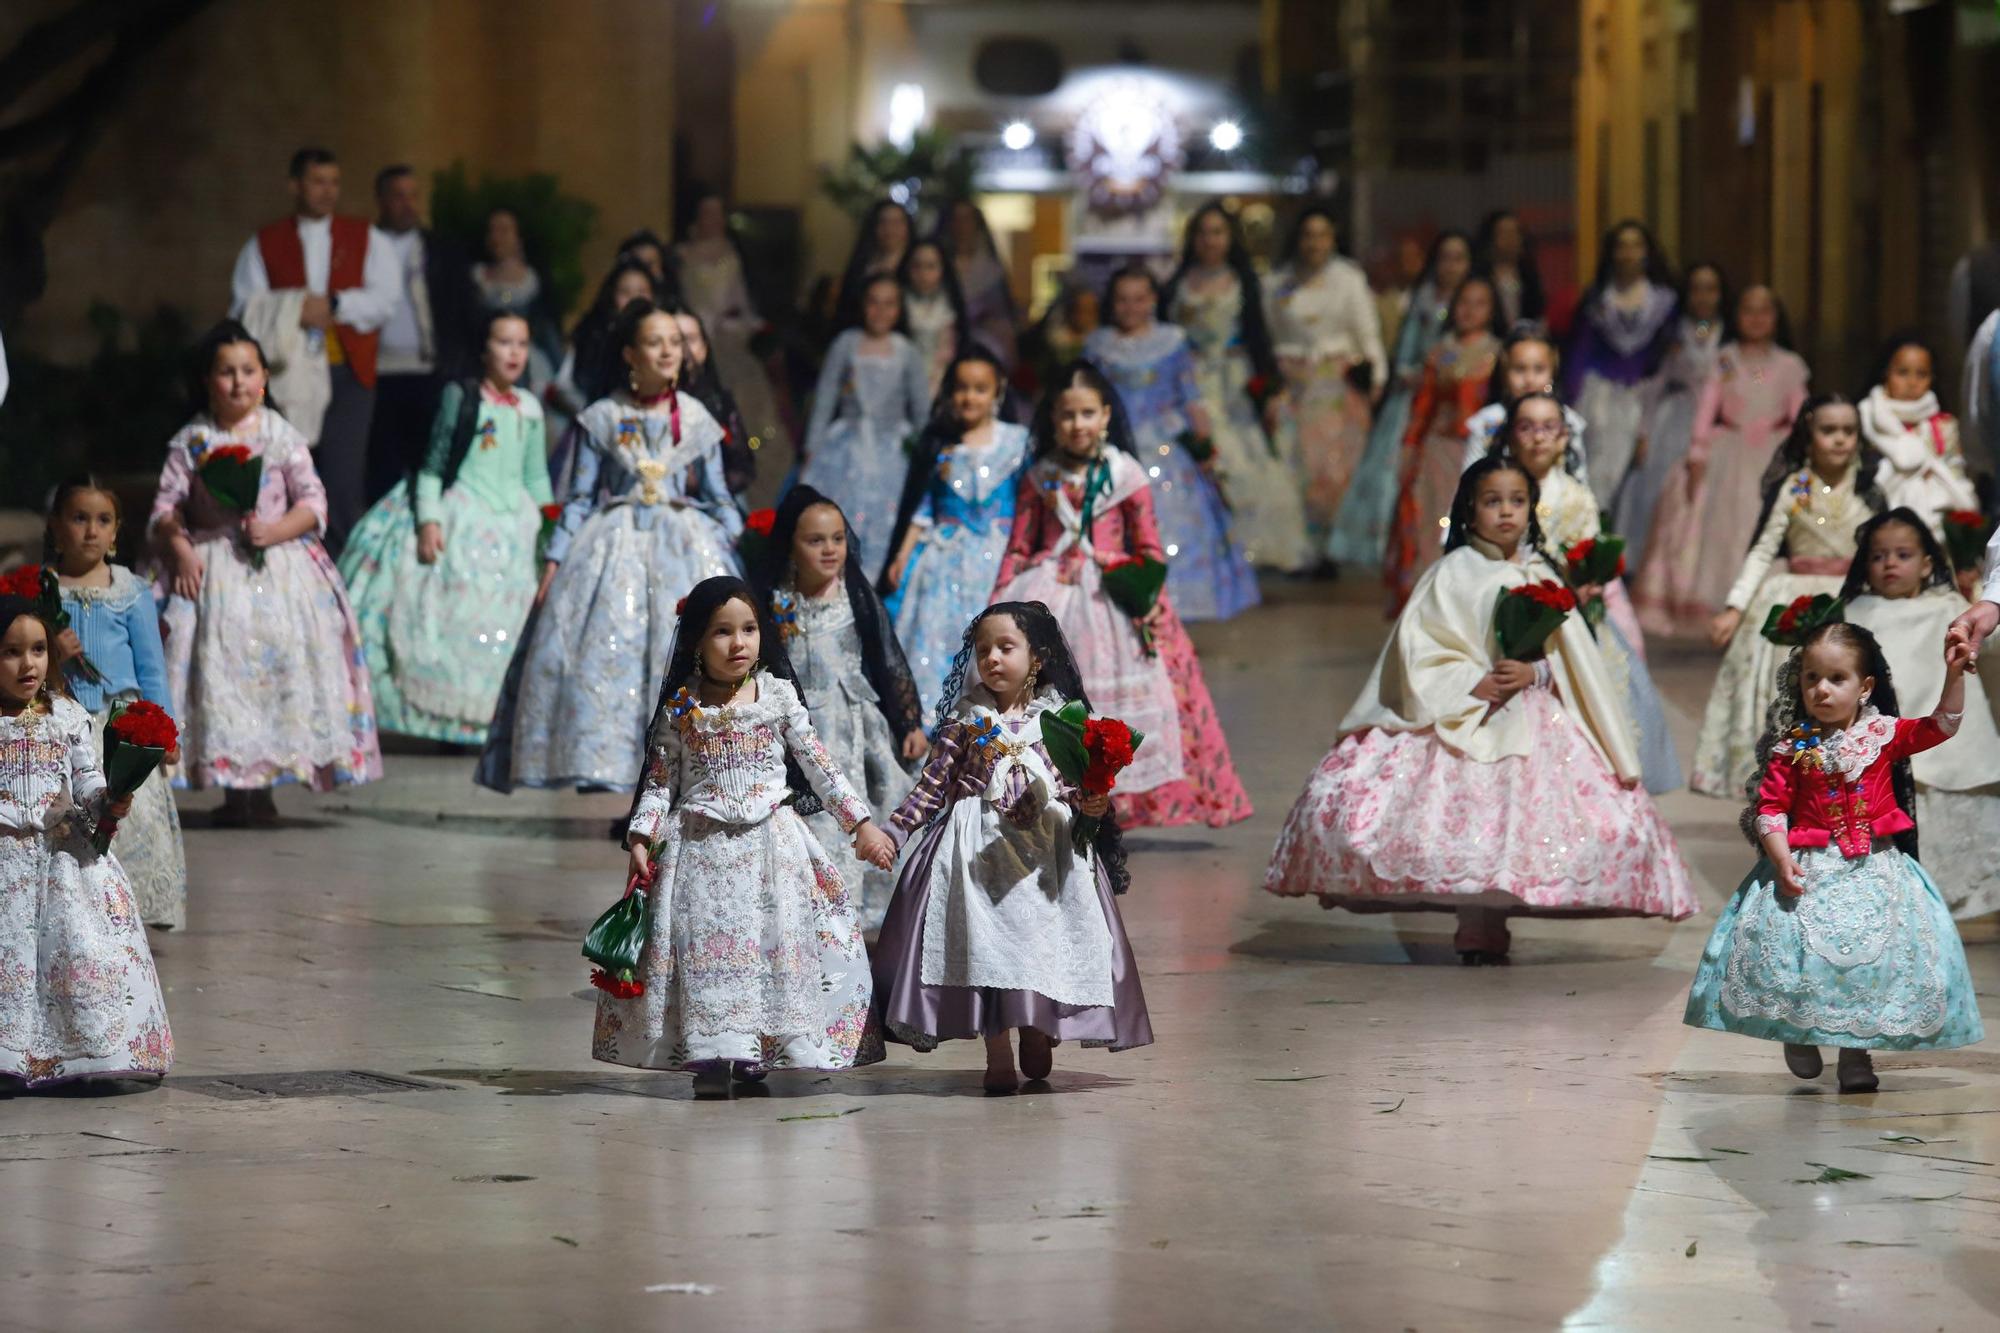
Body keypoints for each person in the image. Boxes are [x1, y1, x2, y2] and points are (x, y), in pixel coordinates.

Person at [1264, 456, 1698, 964]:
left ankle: (1491, 920)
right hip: (1463, 708)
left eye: (1517, 502)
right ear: (1470, 511)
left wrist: (1535, 673)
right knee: (1469, 817)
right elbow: (1419, 649)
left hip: (1533, 716)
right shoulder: (1450, 574)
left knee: (1526, 821)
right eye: (1493, 502)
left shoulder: (1541, 575)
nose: (1507, 513)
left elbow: (1576, 661)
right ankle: (1475, 924)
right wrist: (1473, 680)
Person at [595, 577, 894, 1098]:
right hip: (700, 852)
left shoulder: (776, 697)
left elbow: (821, 769)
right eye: (722, 632)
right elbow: (660, 782)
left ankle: (759, 1046)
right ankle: (711, 1054)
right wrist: (641, 837)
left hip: (771, 851)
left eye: (749, 629)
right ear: (695, 642)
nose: (739, 643)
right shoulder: (683, 709)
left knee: (769, 951)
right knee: (709, 953)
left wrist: (860, 824)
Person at [1683, 620, 1983, 1092]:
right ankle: (1798, 1030)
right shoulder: (1792, 749)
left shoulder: (1883, 736)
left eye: (1836, 679)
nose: (1821, 689)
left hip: (1874, 869)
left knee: (1869, 963)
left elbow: (1941, 725)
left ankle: (1855, 1053)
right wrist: (1781, 859)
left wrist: (1955, 676)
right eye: (1810, 678)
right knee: (1799, 956)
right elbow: (1771, 809)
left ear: (1865, 687)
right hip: (1809, 866)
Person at [871, 601, 1154, 1095]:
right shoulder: (966, 721)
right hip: (976, 852)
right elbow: (932, 786)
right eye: (984, 651)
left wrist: (1091, 803)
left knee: (1038, 943)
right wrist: (895, 832)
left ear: (1037, 658)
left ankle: (1038, 1026)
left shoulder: (1059, 721)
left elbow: (1072, 785)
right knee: (984, 948)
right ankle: (996, 1048)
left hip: (1047, 854)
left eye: (1006, 647)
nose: (993, 659)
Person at [479, 300, 739, 793]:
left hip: (683, 546)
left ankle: (682, 776)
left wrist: (731, 547)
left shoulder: (698, 419)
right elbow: (579, 496)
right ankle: (623, 778)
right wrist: (554, 561)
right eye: (654, 342)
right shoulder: (603, 418)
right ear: (630, 353)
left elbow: (719, 496)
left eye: (675, 343)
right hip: (611, 549)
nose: (668, 352)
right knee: (608, 654)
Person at [994, 361, 1253, 830]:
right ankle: (1049, 792)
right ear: (1053, 419)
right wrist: (998, 604)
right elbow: (1019, 545)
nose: (1078, 425)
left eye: (1087, 413)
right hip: (1048, 596)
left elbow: (1149, 547)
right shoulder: (1040, 478)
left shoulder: (1125, 473)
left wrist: (1142, 593)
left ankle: (1113, 803)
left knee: (1127, 699)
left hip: (1109, 602)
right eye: (1067, 415)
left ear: (1107, 415)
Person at [151, 321, 382, 824]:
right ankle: (233, 784)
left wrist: (275, 531)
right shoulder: (193, 440)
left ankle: (269, 783)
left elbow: (314, 502)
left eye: (248, 371)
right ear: (208, 380)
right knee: (220, 665)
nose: (238, 382)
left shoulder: (280, 435)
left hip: (278, 568)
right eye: (226, 372)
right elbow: (166, 506)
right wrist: (180, 547)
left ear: (265, 379)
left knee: (282, 667)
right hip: (211, 566)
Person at [338, 311, 552, 745]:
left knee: (507, 621)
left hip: (515, 523)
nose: (514, 353)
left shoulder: (530, 408)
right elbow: (433, 464)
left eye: (522, 344)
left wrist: (551, 531)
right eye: (504, 342)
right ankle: (442, 720)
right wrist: (429, 520)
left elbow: (535, 475)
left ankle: (490, 721)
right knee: (443, 613)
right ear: (483, 348)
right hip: (462, 515)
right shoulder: (462, 396)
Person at [0, 597, 174, 1088]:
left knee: (79, 950)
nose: (27, 663)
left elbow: (87, 781)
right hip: (5, 863)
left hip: (63, 860)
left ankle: (87, 1052)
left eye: (37, 650)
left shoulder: (67, 715)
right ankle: (10, 1055)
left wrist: (112, 797)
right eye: (10, 652)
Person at [1487, 392, 1680, 793]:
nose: (1538, 438)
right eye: (1527, 427)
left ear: (1562, 438)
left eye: (1548, 428)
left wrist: (1588, 579)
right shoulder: (1501, 488)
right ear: (1511, 436)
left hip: (1565, 612)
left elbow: (1589, 548)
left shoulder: (1574, 496)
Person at [751, 488, 927, 928]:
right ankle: (815, 913)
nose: (830, 550)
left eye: (837, 538)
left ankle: (861, 910)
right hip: (796, 729)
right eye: (815, 541)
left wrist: (909, 720)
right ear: (791, 543)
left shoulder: (856, 596)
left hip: (853, 725)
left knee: (862, 805)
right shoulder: (774, 600)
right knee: (810, 819)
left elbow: (888, 658)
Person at [1691, 394, 1880, 798]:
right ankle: (1787, 772)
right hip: (1796, 600)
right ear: (1808, 434)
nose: (1840, 440)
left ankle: (1849, 766)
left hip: (1850, 599)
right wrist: (1735, 607)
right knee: (1794, 686)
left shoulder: (1869, 491)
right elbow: (1763, 550)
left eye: (1849, 431)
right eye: (1829, 430)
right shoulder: (1795, 487)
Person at [230, 147, 402, 553]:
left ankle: (342, 572)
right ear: (295, 185)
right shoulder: (266, 243)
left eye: (334, 183)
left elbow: (386, 297)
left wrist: (337, 305)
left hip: (348, 373)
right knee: (283, 472)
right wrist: (293, 308)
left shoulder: (365, 237)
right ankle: (283, 563)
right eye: (317, 181)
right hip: (287, 375)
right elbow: (244, 306)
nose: (327, 192)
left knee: (342, 480)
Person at [1842, 509, 2000, 918]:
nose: (1890, 563)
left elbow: (1988, 644)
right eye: (1879, 556)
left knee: (1946, 825)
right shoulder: (1855, 611)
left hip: (1942, 736)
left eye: (1903, 554)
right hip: (1885, 745)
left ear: (1928, 563)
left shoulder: (1948, 606)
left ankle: (1944, 910)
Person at [48, 476, 187, 930]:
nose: (91, 530)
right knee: (74, 819)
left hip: (121, 728)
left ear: (116, 532)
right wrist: (53, 649)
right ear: (56, 527)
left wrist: (164, 732)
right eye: (79, 518)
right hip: (65, 724)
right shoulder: (44, 589)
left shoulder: (130, 589)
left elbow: (151, 667)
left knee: (132, 820)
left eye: (102, 520)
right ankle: (82, 916)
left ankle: (132, 915)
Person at [1631, 284, 1809, 639]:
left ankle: (1768, 604)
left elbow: (1800, 415)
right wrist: (1698, 451)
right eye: (1748, 310)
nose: (1756, 319)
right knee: (1723, 525)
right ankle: (1723, 606)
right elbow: (1706, 409)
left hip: (1773, 454)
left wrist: (1797, 454)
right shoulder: (1725, 359)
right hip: (1728, 452)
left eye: (1765, 310)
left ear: (1776, 318)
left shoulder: (1790, 365)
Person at [1086, 266, 1260, 622]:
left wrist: (1205, 446)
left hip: (1167, 449)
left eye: (1139, 299)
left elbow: (1190, 396)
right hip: (1115, 447)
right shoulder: (1098, 345)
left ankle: (1175, 604)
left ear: (1152, 300)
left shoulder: (1172, 341)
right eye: (1122, 299)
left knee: (1173, 525)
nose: (1131, 307)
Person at [1162, 202, 1314, 572]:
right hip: (1191, 382)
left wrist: (1269, 387)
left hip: (1233, 383)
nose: (1210, 241)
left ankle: (1246, 546)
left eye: (1217, 232)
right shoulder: (1177, 284)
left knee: (1244, 459)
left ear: (1230, 238)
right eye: (1203, 233)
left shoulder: (1244, 281)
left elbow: (1258, 335)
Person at [880, 349, 1031, 722]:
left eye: (980, 388)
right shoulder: (941, 447)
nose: (970, 397)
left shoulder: (1016, 443)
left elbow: (1029, 502)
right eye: (961, 388)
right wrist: (902, 555)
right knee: (937, 638)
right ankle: (940, 717)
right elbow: (924, 509)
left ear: (998, 391)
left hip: (997, 559)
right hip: (944, 561)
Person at [1328, 231, 1472, 567]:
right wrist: (1410, 372)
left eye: (1459, 259)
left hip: (1458, 405)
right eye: (1445, 259)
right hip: (1417, 398)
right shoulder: (1424, 299)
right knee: (1397, 474)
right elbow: (1408, 348)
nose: (1451, 267)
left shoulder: (1472, 301)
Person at [1264, 205, 1389, 553]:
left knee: (1334, 467)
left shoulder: (1349, 280)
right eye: (1307, 235)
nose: (1314, 243)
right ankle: (1302, 546)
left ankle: (1332, 545)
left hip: (1337, 388)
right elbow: (1271, 333)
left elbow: (1368, 333)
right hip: (1294, 386)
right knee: (1293, 466)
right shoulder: (1278, 283)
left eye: (1321, 235)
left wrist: (1376, 376)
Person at [1384, 274, 1503, 612]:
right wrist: (1409, 446)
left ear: (1492, 310)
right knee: (1433, 526)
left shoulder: (1498, 354)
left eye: (1479, 303)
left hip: (1480, 454)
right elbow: (1423, 407)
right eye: (1463, 302)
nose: (1469, 310)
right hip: (1438, 453)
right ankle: (1431, 606)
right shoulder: (1440, 353)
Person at [363, 164, 480, 505]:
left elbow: (463, 310)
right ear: (381, 200)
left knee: (429, 464)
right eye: (398, 196)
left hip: (430, 372)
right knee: (381, 469)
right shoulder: (365, 247)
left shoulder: (440, 249)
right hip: (377, 375)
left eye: (413, 195)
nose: (408, 204)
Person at [799, 273, 929, 574]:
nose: (880, 311)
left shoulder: (907, 350)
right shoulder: (846, 344)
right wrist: (812, 449)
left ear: (899, 309)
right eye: (873, 302)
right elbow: (825, 399)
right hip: (846, 447)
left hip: (893, 449)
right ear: (861, 305)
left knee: (888, 514)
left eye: (889, 303)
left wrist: (925, 453)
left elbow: (920, 407)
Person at [1612, 261, 1728, 569]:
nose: (1703, 297)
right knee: (1660, 493)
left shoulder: (1729, 339)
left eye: (1710, 289)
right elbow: (1654, 387)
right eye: (1697, 289)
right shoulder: (1673, 336)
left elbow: (1746, 380)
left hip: (1716, 426)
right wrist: (1644, 433)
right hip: (1674, 421)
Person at [674, 190, 796, 477]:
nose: (713, 220)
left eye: (718, 214)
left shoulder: (734, 252)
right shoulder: (682, 255)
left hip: (732, 341)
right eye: (707, 213)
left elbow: (741, 299)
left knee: (753, 415)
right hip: (696, 340)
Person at [1565, 220, 1679, 508]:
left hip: (1649, 399)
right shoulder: (1598, 300)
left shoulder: (1665, 302)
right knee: (1596, 473)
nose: (1629, 253)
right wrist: (1571, 397)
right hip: (1600, 396)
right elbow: (1580, 352)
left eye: (1636, 245)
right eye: (1622, 246)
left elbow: (1672, 356)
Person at [1860, 333, 1977, 537]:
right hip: (1877, 514)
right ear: (1885, 372)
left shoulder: (1943, 426)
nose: (1912, 382)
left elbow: (1955, 472)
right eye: (1902, 372)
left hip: (1935, 519)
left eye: (1921, 374)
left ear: (1932, 378)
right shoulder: (1866, 418)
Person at [1458, 325, 1590, 474]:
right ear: (1504, 371)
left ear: (1553, 369)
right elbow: (1470, 481)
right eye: (1519, 369)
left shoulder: (1569, 422)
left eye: (1539, 369)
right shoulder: (1487, 423)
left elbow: (1579, 479)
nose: (1529, 379)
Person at [470, 208, 564, 395]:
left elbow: (547, 329)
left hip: (530, 365)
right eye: (492, 231)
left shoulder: (534, 279)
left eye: (504, 231)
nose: (497, 238)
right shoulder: (476, 277)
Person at [673, 309, 754, 497]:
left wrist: (705, 482)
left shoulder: (720, 402)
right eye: (675, 339)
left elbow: (743, 467)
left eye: (691, 339)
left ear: (704, 348)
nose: (683, 348)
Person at [940, 198, 1019, 370]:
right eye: (957, 219)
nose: (962, 226)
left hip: (986, 350)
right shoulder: (937, 266)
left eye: (967, 219)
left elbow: (1003, 317)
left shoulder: (992, 270)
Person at [898, 238, 971, 401]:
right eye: (917, 266)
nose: (923, 274)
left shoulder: (951, 306)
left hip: (946, 388)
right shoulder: (895, 305)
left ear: (943, 269)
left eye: (931, 266)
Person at [832, 200, 915, 334]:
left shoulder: (917, 267)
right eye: (883, 222)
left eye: (897, 222)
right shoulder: (861, 265)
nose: (890, 229)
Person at [1473, 209, 1546, 327]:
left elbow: (1537, 313)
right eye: (1504, 233)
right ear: (1491, 238)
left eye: (1515, 232)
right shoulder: (1480, 276)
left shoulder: (1528, 275)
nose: (1511, 239)